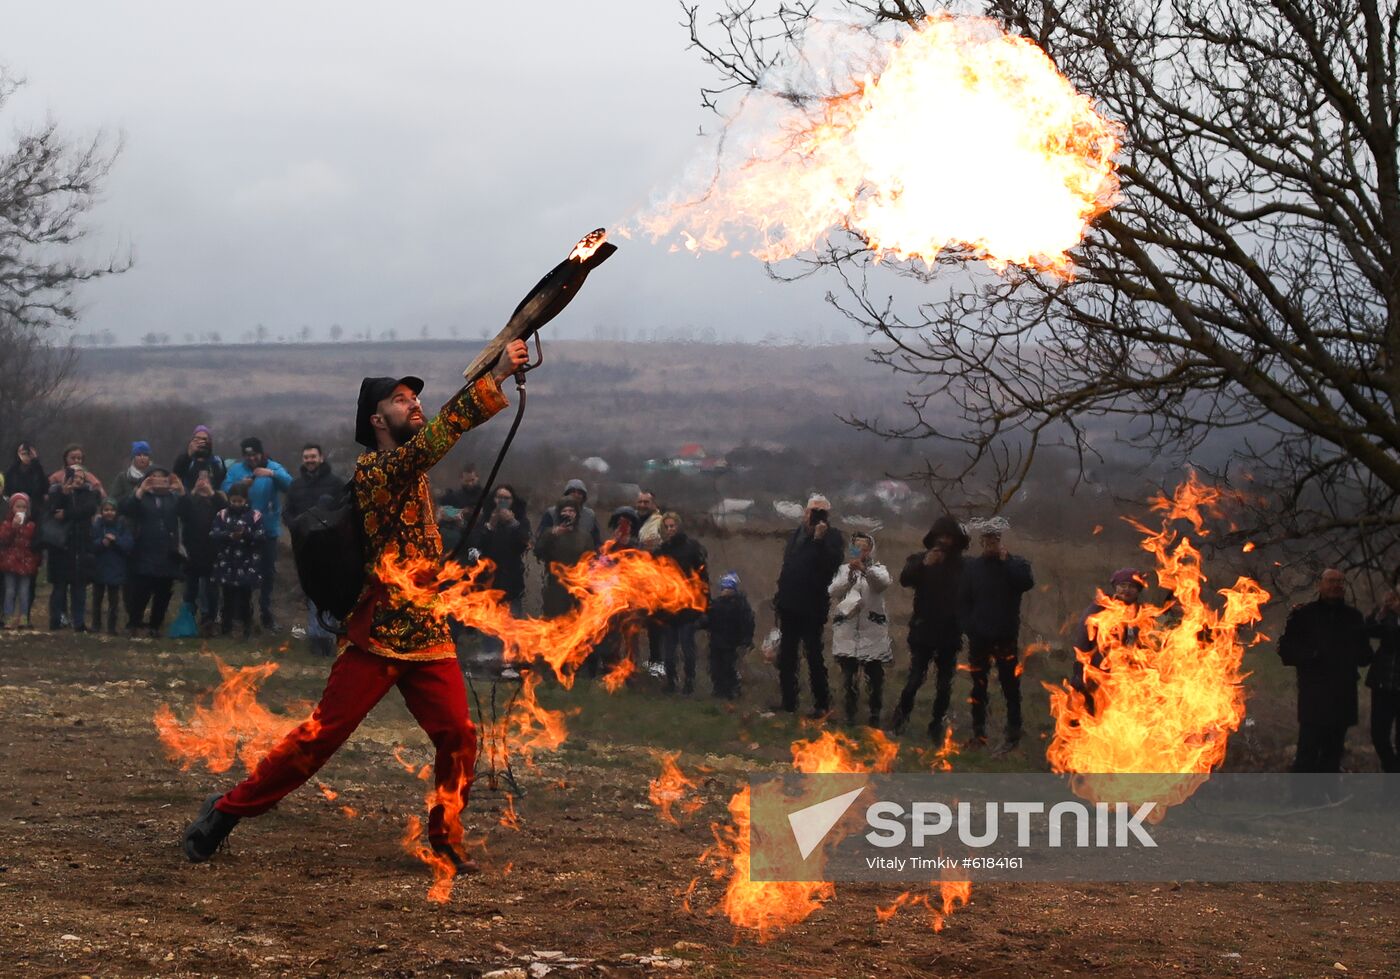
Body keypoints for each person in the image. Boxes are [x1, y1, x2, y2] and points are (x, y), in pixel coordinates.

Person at [181, 338, 530, 871]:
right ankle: (226, 811)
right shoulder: (378, 472)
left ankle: (445, 837)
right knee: (318, 740)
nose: (414, 402)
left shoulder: (412, 471)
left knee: (458, 735)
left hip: (428, 634)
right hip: (378, 634)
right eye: (401, 399)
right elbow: (436, 439)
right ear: (377, 419)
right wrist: (496, 376)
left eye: (416, 396)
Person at [1277, 568, 1372, 781]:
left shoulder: (1353, 617)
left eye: (1339, 582)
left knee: (1334, 750)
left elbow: (1365, 656)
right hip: (1314, 694)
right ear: (1320, 585)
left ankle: (1327, 797)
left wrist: (1352, 654)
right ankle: (1301, 798)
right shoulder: (1304, 615)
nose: (1335, 586)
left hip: (1343, 693)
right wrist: (1312, 656)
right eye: (1330, 581)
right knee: (1308, 748)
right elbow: (1286, 651)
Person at [890, 515, 969, 739]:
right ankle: (899, 720)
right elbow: (905, 579)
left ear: (956, 540)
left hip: (950, 633)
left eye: (949, 537)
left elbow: (971, 595)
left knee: (944, 685)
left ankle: (936, 726)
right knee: (914, 679)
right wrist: (924, 565)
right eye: (941, 536)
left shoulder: (963, 566)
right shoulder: (920, 559)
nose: (944, 541)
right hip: (923, 631)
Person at [959, 519, 1035, 747]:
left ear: (1002, 541)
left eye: (996, 539)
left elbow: (1025, 583)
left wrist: (1006, 560)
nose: (992, 544)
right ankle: (978, 733)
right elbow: (963, 600)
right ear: (981, 542)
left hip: (1005, 635)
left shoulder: (1017, 564)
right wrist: (968, 627)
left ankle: (1013, 732)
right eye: (988, 540)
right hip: (979, 636)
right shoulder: (972, 567)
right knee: (978, 685)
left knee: (1010, 685)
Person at [773, 494, 845, 717]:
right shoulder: (796, 535)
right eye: (812, 510)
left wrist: (819, 540)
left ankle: (822, 704)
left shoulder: (832, 537)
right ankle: (788, 701)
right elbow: (789, 566)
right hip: (789, 603)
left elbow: (830, 566)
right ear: (805, 512)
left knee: (814, 655)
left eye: (820, 511)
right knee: (787, 656)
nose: (814, 515)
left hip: (812, 607)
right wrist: (780, 597)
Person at [221, 437, 293, 632]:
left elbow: (291, 485)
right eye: (248, 455)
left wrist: (271, 474)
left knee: (267, 574)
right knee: (242, 574)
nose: (252, 458)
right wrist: (240, 485)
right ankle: (243, 616)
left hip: (267, 531)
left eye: (255, 454)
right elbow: (225, 490)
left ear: (261, 453)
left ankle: (267, 615)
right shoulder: (237, 470)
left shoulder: (273, 467)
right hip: (242, 531)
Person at [828, 532, 893, 728]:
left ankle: (874, 716)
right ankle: (850, 716)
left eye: (865, 547)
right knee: (849, 678)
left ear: (871, 549)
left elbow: (882, 584)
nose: (861, 551)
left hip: (872, 634)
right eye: (857, 547)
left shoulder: (879, 569)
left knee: (874, 678)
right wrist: (850, 575)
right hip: (847, 633)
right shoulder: (842, 570)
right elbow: (833, 590)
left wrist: (865, 570)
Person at [284, 442, 344, 656]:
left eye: (313, 456)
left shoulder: (336, 484)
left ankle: (328, 636)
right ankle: (314, 636)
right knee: (310, 590)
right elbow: (287, 511)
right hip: (305, 546)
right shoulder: (295, 485)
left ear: (321, 457)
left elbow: (344, 509)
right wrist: (294, 527)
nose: (309, 460)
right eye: (306, 457)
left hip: (329, 545)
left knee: (329, 590)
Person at [466, 484, 532, 669]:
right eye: (499, 497)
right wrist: (490, 526)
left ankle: (509, 664)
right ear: (493, 500)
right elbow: (474, 548)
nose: (502, 502)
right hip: (488, 583)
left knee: (510, 625)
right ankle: (489, 664)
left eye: (506, 498)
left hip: (512, 583)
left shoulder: (520, 520)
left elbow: (524, 544)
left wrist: (513, 524)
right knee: (490, 626)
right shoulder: (484, 520)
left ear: (513, 501)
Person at [1068, 568, 1148, 716]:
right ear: (1115, 587)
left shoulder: (1143, 613)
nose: (1127, 590)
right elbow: (1082, 640)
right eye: (1123, 585)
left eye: (1132, 586)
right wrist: (1081, 672)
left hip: (1129, 678)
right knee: (1090, 717)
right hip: (1098, 673)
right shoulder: (1100, 608)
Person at [119, 469, 186, 638]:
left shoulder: (174, 498)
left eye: (162, 478)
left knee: (163, 591)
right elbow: (126, 508)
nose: (158, 481)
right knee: (140, 591)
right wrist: (141, 490)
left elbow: (189, 512)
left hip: (168, 551)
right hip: (144, 550)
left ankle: (155, 624)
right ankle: (134, 622)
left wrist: (182, 491)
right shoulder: (142, 497)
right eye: (154, 477)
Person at [656, 511, 709, 694]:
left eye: (673, 526)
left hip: (688, 606)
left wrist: (704, 605)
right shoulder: (662, 550)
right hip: (668, 607)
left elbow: (703, 577)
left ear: (679, 526)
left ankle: (689, 682)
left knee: (688, 648)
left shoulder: (692, 548)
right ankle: (670, 681)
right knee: (668, 652)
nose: (670, 529)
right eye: (667, 526)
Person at [45, 467, 99, 631]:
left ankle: (79, 622)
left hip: (81, 544)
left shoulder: (88, 493)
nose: (78, 480)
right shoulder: (56, 492)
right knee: (59, 586)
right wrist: (64, 494)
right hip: (60, 545)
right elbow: (53, 511)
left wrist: (68, 513)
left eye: (82, 477)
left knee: (79, 586)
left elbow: (88, 510)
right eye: (75, 477)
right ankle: (55, 620)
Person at [211, 483, 265, 639]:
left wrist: (245, 534)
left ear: (246, 500)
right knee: (227, 598)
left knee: (245, 598)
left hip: (248, 563)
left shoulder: (255, 515)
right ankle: (225, 628)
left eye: (239, 501)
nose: (236, 504)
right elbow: (214, 534)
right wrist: (229, 535)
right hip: (227, 562)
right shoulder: (222, 515)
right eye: (233, 501)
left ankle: (246, 628)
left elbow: (261, 537)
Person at [178, 471, 226, 636]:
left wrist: (211, 494)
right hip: (192, 551)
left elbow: (225, 512)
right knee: (190, 589)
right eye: (199, 478)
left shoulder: (216, 499)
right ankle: (187, 621)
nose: (202, 482)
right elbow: (182, 513)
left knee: (211, 590)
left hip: (212, 552)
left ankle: (209, 621)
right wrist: (191, 493)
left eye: (205, 479)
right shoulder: (190, 500)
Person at [534, 497, 595, 620]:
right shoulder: (549, 533)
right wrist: (552, 535)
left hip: (577, 587)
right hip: (555, 587)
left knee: (575, 627)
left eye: (571, 511)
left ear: (576, 514)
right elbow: (538, 553)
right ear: (559, 514)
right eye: (564, 511)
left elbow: (591, 560)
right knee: (553, 625)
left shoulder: (584, 536)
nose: (568, 513)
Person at [5, 443, 45, 622]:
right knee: (9, 586)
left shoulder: (37, 471)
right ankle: (7, 615)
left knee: (28, 584)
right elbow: (7, 488)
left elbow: (44, 486)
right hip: (11, 520)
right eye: (22, 452)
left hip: (34, 519)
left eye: (28, 452)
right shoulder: (12, 472)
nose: (26, 455)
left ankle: (24, 615)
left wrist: (36, 462)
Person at [1366, 585, 1400, 773]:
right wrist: (1383, 611)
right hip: (1383, 684)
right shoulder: (1388, 614)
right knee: (1379, 736)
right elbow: (1369, 628)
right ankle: (1392, 771)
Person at [705, 571, 755, 699]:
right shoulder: (715, 604)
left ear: (734, 589)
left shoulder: (741, 605)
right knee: (715, 668)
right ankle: (719, 690)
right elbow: (707, 621)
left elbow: (747, 623)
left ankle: (732, 690)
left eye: (729, 588)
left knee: (729, 667)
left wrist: (746, 640)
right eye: (724, 588)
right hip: (716, 642)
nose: (726, 591)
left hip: (732, 643)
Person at [89, 499, 134, 635]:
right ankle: (96, 624)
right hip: (99, 567)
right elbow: (91, 545)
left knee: (114, 600)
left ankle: (112, 627)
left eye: (112, 510)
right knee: (97, 598)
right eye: (106, 510)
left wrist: (116, 541)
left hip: (116, 568)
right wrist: (102, 543)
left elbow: (128, 545)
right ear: (102, 511)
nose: (109, 513)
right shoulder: (97, 525)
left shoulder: (122, 525)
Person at [635, 489, 666, 676]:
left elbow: (657, 546)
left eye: (646, 502)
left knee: (655, 623)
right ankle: (631, 662)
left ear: (654, 505)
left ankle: (657, 662)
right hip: (634, 579)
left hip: (654, 580)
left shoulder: (660, 523)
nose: (642, 505)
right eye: (640, 502)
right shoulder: (633, 521)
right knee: (633, 623)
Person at [0, 493, 40, 629]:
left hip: (26, 563)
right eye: (18, 506)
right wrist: (13, 527)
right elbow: (4, 539)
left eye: (24, 507)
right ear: (12, 508)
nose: (21, 509)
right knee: (10, 591)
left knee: (24, 592)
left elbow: (35, 543)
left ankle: (24, 617)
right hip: (10, 562)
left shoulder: (32, 525)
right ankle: (8, 617)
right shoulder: (6, 523)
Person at [536, 478, 602, 549]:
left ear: (583, 496)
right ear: (566, 494)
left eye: (579, 493)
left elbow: (596, 541)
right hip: (556, 556)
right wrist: (553, 532)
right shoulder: (552, 512)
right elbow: (539, 536)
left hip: (582, 557)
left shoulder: (590, 515)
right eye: (573, 492)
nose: (576, 495)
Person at [173, 425, 227, 493]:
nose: (201, 442)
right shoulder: (185, 460)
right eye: (197, 439)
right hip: (190, 499)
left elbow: (223, 483)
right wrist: (189, 454)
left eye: (204, 439)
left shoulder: (218, 461)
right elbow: (176, 476)